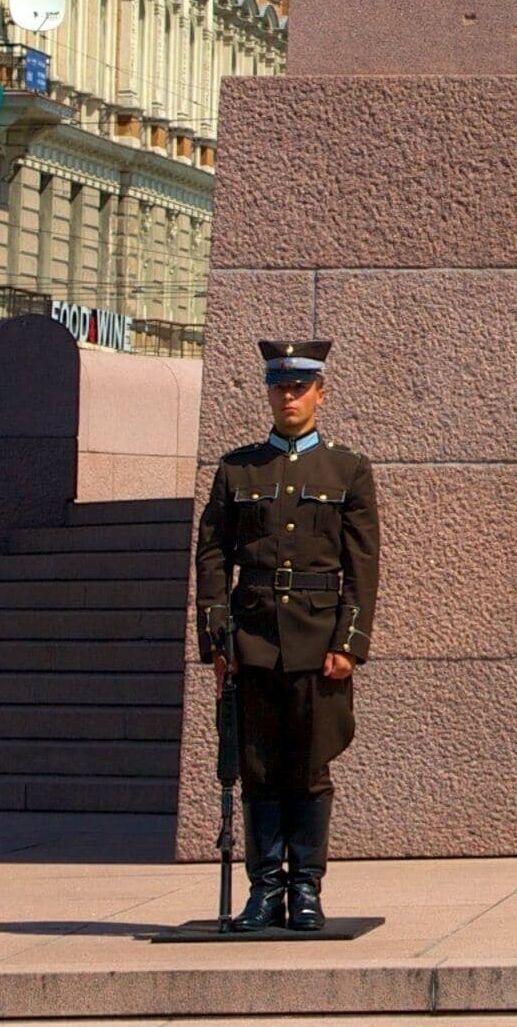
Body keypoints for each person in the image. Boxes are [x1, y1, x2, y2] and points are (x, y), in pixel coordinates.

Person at [196, 339, 382, 934]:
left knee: (308, 765)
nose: (290, 397)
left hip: (317, 641)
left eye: (300, 387)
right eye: (280, 387)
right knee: (257, 767)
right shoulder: (237, 469)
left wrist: (349, 643)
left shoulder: (346, 469)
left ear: (320, 394)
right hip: (252, 640)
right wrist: (218, 639)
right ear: (269, 393)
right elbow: (212, 555)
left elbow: (363, 565)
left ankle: (306, 888)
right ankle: (263, 888)